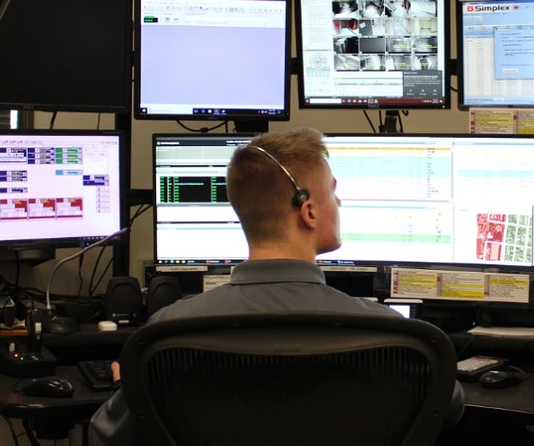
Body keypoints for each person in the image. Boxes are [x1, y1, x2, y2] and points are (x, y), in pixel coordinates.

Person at [88, 128, 465, 445]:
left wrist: (129, 384)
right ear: (309, 210)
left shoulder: (165, 334)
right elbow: (449, 406)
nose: (339, 200)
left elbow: (105, 434)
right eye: (333, 192)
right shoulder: (396, 336)